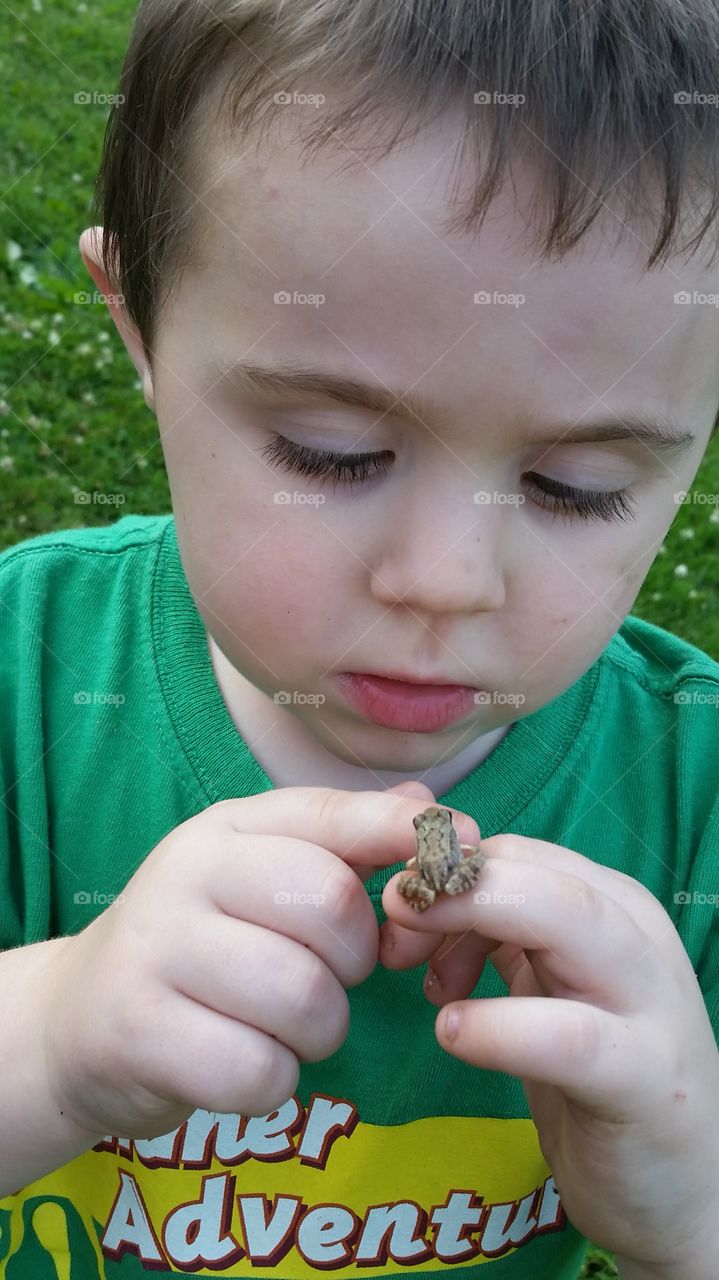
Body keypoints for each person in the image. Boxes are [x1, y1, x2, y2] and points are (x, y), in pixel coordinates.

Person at [1, 0, 718, 1276]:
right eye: (329, 453)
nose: (445, 581)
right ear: (140, 331)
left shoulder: (691, 792)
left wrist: (693, 1215)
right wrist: (49, 1034)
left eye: (577, 484)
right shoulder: (27, 672)